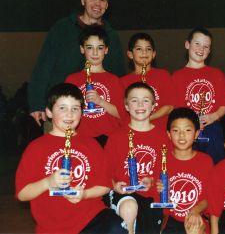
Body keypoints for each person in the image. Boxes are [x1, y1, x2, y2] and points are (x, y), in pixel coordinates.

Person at [15, 83, 127, 234]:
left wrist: (85, 194)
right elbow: (22, 194)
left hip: (90, 218)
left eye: (75, 109)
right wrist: (48, 182)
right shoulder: (36, 148)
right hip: (53, 226)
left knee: (117, 228)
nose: (69, 114)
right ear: (48, 112)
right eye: (62, 108)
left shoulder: (91, 144)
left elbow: (105, 185)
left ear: (82, 112)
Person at [28, 0, 125, 128]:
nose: (97, 5)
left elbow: (119, 76)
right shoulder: (61, 29)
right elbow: (43, 67)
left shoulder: (111, 36)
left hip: (98, 116)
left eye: (102, 0)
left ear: (106, 4)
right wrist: (36, 103)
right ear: (82, 0)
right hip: (61, 112)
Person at [104, 82, 168, 234]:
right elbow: (105, 171)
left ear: (153, 106)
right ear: (126, 106)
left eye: (145, 100)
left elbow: (165, 170)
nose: (140, 104)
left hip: (150, 195)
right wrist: (115, 185)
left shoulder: (163, 137)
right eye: (134, 100)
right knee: (129, 208)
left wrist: (152, 181)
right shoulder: (116, 137)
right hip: (123, 194)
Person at [171, 27, 225, 164]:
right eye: (197, 44)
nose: (201, 49)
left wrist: (213, 116)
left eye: (206, 46)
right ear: (187, 44)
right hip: (187, 130)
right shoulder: (176, 76)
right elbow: (174, 109)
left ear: (209, 51)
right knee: (189, 167)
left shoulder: (216, 74)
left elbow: (224, 105)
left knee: (216, 168)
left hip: (212, 128)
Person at [155, 107, 213, 234]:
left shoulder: (206, 161)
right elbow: (155, 201)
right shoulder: (162, 159)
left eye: (187, 130)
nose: (181, 135)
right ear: (169, 134)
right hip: (170, 221)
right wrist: (157, 189)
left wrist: (196, 210)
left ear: (196, 134)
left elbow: (210, 197)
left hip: (196, 218)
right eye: (176, 130)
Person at [65, 25, 124, 144]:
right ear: (82, 49)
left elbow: (122, 114)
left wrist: (101, 101)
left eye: (100, 47)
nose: (95, 52)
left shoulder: (114, 80)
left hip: (109, 140)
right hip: (81, 140)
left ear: (106, 50)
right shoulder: (72, 80)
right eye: (90, 47)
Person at [120, 33, 173, 126]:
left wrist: (146, 118)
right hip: (134, 132)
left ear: (153, 54)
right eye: (139, 49)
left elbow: (169, 106)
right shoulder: (123, 82)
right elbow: (122, 113)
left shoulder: (163, 75)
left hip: (160, 132)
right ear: (130, 54)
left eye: (148, 49)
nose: (144, 53)